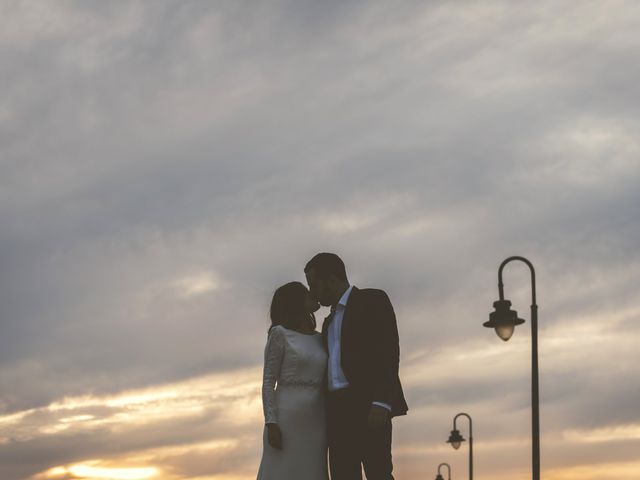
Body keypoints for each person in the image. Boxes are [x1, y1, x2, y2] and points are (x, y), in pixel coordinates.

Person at [305, 253, 408, 480]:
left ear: (331, 279)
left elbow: (389, 352)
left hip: (369, 405)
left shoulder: (373, 300)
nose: (312, 292)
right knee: (342, 475)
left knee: (378, 473)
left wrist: (381, 401)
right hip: (337, 412)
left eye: (313, 285)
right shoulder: (328, 321)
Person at [256, 281, 329, 480]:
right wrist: (271, 422)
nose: (312, 294)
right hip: (287, 417)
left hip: (317, 417)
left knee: (312, 470)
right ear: (295, 302)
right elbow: (268, 380)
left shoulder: (321, 338)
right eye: (306, 293)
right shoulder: (280, 333)